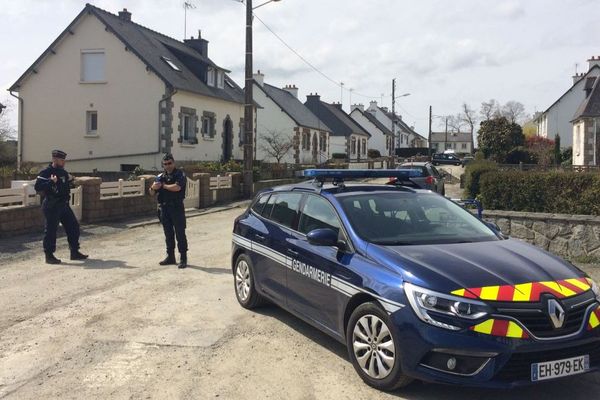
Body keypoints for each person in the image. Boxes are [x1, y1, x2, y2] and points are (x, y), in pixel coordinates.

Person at [34, 150, 88, 264]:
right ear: (54, 160)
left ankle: (74, 252)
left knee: (73, 226)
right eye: (61, 160)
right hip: (52, 205)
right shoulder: (46, 172)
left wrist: (74, 180)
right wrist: (50, 182)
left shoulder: (63, 172)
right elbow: (38, 187)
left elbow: (70, 180)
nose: (64, 162)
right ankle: (49, 255)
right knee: (51, 230)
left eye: (64, 160)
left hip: (63, 205)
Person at [150, 153, 188, 269]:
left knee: (180, 233)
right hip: (164, 209)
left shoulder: (179, 174)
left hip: (176, 208)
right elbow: (151, 193)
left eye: (169, 163)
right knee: (168, 234)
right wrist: (153, 188)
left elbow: (177, 188)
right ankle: (170, 256)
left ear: (174, 163)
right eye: (165, 164)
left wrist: (164, 186)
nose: (167, 166)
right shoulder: (161, 176)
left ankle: (183, 258)